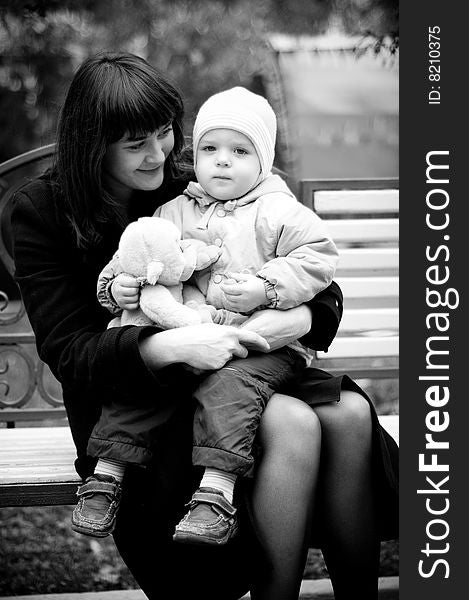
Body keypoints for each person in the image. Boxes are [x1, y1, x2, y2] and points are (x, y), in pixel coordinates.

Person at [10, 52, 398, 600]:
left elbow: (316, 279)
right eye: (135, 144)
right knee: (293, 423)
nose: (158, 155)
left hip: (241, 354)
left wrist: (301, 313)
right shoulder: (43, 211)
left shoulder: (195, 178)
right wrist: (175, 342)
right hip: (137, 395)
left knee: (352, 413)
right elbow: (70, 351)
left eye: (165, 133)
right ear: (92, 143)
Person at [91, 86, 339, 546]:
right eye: (210, 148)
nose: (222, 161)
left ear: (262, 161)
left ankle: (216, 494)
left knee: (231, 388)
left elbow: (319, 259)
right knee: (145, 375)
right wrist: (115, 287)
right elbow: (139, 251)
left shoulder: (279, 210)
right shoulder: (174, 207)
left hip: (260, 341)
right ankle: (108, 472)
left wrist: (268, 287)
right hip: (192, 333)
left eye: (239, 150)